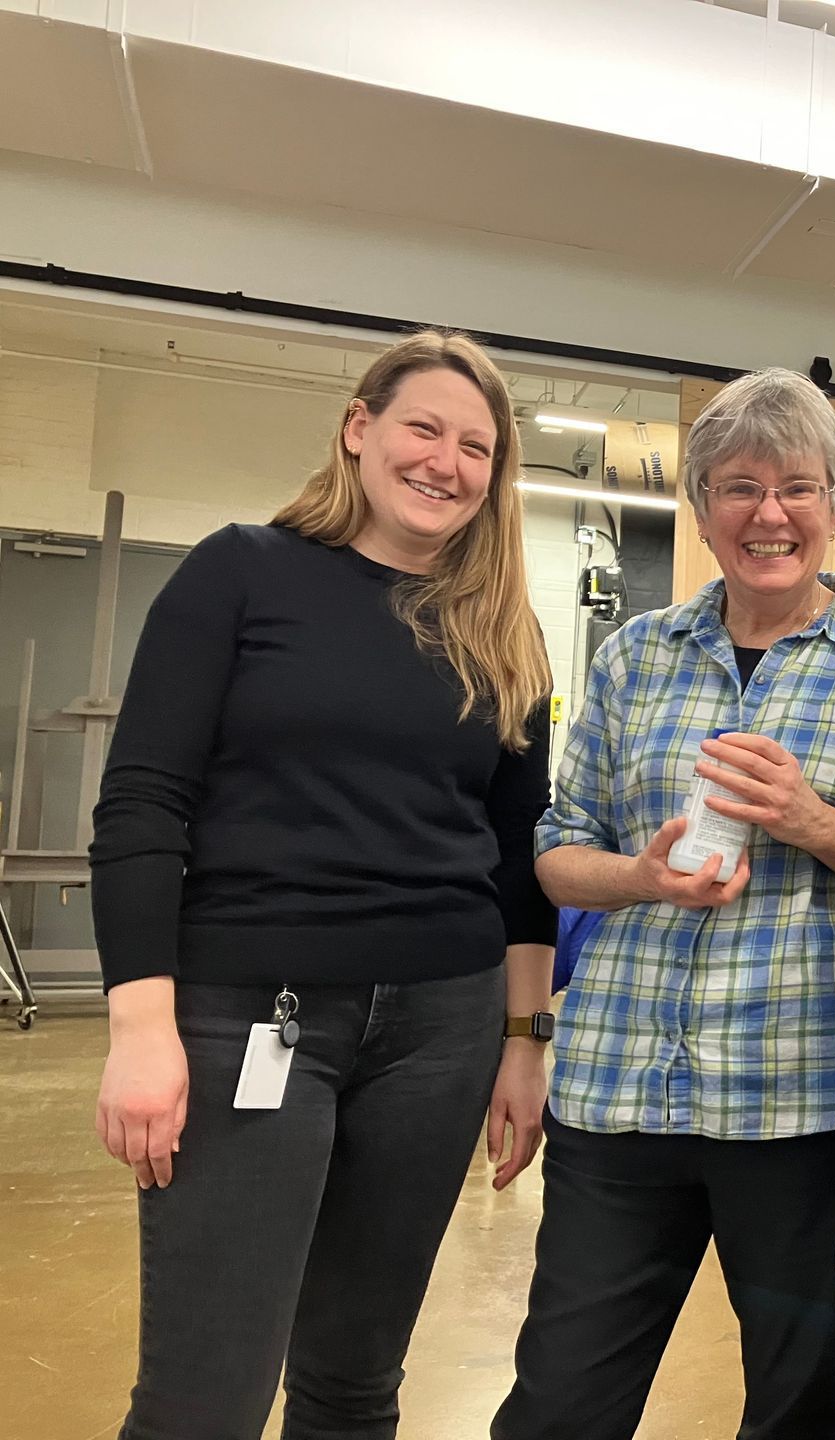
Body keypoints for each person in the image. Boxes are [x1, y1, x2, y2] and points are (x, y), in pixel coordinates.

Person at [90, 330, 558, 1439]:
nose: (447, 462)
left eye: (477, 447)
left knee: (354, 1386)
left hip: (440, 1031)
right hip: (248, 1014)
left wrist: (522, 1039)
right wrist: (141, 1026)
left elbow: (516, 850)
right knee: (207, 1394)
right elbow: (142, 803)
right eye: (424, 429)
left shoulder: (500, 630)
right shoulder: (241, 571)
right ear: (360, 429)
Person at [493, 367, 835, 1440]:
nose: (768, 514)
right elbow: (555, 856)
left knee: (800, 1406)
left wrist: (813, 820)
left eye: (796, 487)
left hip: (800, 1101)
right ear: (701, 509)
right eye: (737, 486)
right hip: (619, 1093)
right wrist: (641, 876)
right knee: (560, 1402)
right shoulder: (638, 657)